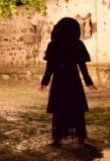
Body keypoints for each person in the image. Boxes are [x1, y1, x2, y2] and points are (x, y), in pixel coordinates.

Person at [40, 17, 97, 146]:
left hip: (61, 80)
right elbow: (82, 66)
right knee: (75, 108)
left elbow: (50, 66)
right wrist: (88, 82)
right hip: (72, 79)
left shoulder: (54, 45)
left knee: (60, 109)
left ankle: (58, 138)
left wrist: (45, 81)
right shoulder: (76, 44)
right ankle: (79, 137)